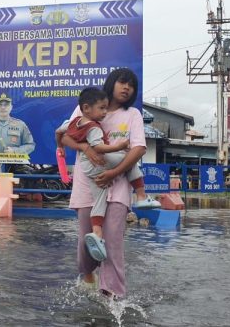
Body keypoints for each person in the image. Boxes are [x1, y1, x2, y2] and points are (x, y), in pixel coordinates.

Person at [59, 68, 147, 299]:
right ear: (112, 83)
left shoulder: (133, 115)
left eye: (131, 85)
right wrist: (86, 147)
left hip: (118, 183)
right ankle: (88, 275)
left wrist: (115, 172)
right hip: (88, 182)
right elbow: (64, 136)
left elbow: (138, 147)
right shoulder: (86, 107)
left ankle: (113, 296)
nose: (127, 87)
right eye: (122, 82)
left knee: (113, 242)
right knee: (86, 243)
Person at [55, 87, 158, 261]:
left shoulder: (73, 122)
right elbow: (98, 147)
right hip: (100, 161)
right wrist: (119, 146)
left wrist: (60, 147)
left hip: (88, 169)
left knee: (99, 200)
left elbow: (59, 133)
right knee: (128, 160)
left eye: (106, 108)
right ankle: (141, 196)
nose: (105, 112)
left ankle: (96, 234)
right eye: (102, 108)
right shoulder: (93, 127)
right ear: (86, 108)